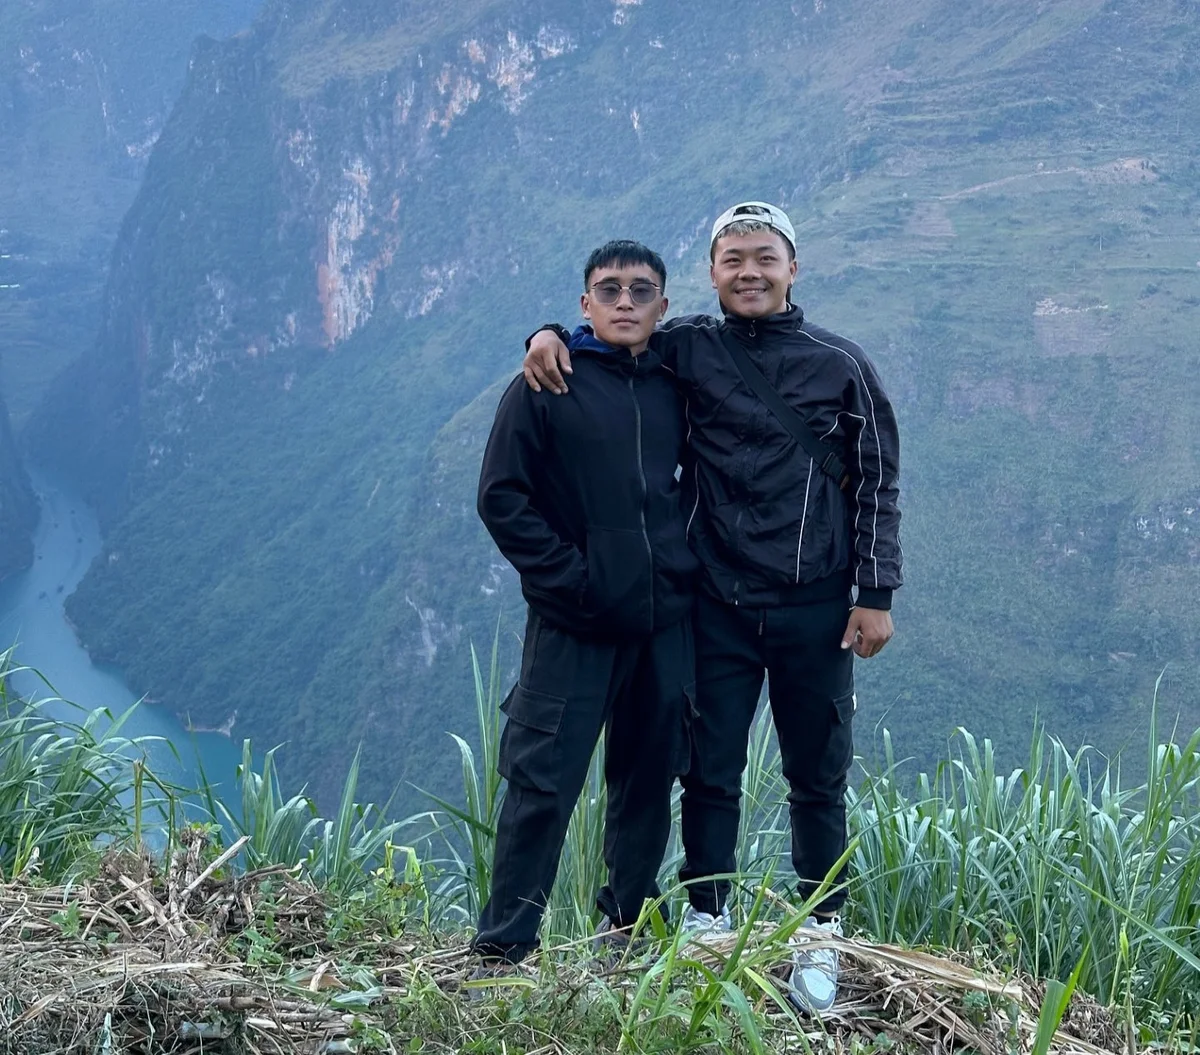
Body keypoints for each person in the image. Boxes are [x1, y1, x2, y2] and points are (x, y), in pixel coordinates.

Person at [523, 202, 903, 1013]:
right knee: (709, 770)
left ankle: (819, 934)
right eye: (733, 259)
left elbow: (877, 480)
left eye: (765, 258)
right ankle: (706, 917)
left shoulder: (843, 364)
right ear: (713, 273)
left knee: (817, 775)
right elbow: (610, 332)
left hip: (817, 605)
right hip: (718, 603)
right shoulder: (685, 345)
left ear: (793, 267)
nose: (749, 272)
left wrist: (876, 594)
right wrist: (546, 331)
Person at [471, 240, 698, 968]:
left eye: (641, 290)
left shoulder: (682, 379)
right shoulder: (545, 384)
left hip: (664, 626)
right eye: (609, 290)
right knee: (542, 786)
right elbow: (502, 498)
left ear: (664, 305)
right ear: (584, 306)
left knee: (646, 785)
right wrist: (573, 582)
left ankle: (624, 933)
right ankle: (504, 948)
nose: (625, 301)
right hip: (573, 629)